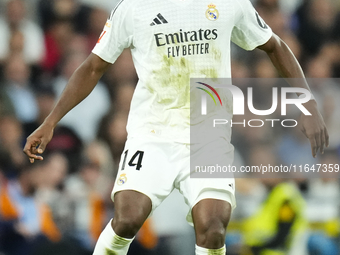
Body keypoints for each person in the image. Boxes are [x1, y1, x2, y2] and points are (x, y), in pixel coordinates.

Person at [23, 0, 329, 254]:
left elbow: (275, 46)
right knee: (128, 217)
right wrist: (51, 122)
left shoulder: (229, 4)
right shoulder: (133, 8)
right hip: (152, 133)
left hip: (208, 137)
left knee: (213, 226)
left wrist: (308, 104)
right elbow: (93, 66)